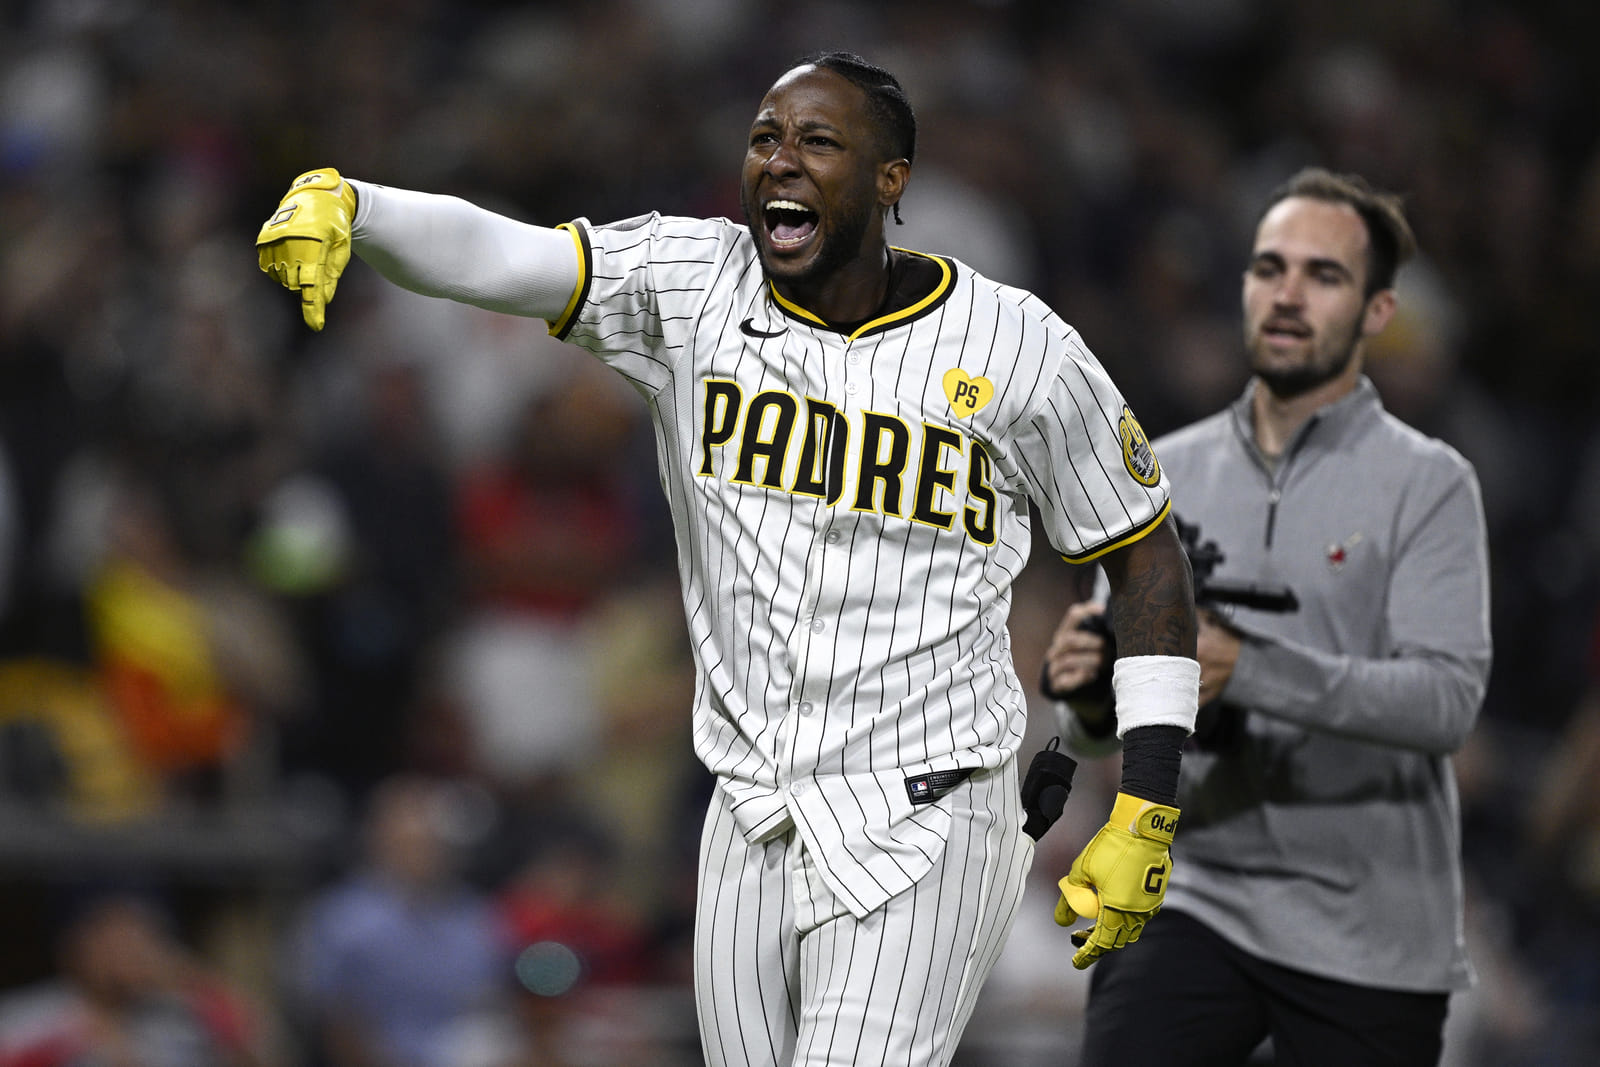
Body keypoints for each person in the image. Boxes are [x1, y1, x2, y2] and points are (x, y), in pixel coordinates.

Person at [256, 51, 1200, 1067]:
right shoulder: (692, 283)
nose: (780, 162)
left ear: (892, 180)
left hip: (932, 804)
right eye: (764, 139)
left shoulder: (1020, 347)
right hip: (749, 808)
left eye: (818, 142)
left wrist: (1145, 796)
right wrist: (358, 203)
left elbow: (1146, 560)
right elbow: (511, 258)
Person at [1042, 167, 1492, 1066]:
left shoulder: (1431, 483)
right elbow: (1093, 732)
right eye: (1268, 268)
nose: (1287, 294)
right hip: (1193, 890)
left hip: (1369, 920)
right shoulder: (1157, 469)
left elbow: (1446, 702)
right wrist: (1090, 692)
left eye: (1322, 275)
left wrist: (1251, 666)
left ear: (1375, 311)